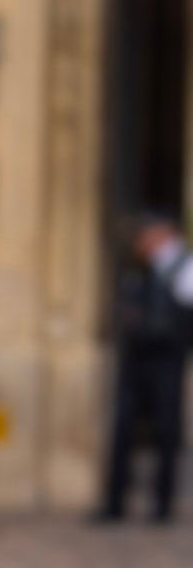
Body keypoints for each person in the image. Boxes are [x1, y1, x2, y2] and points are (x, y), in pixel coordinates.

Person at [98, 212, 193, 523]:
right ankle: (115, 502)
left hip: (166, 358)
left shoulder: (184, 267)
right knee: (123, 428)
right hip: (135, 357)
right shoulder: (137, 269)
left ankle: (162, 505)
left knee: (166, 430)